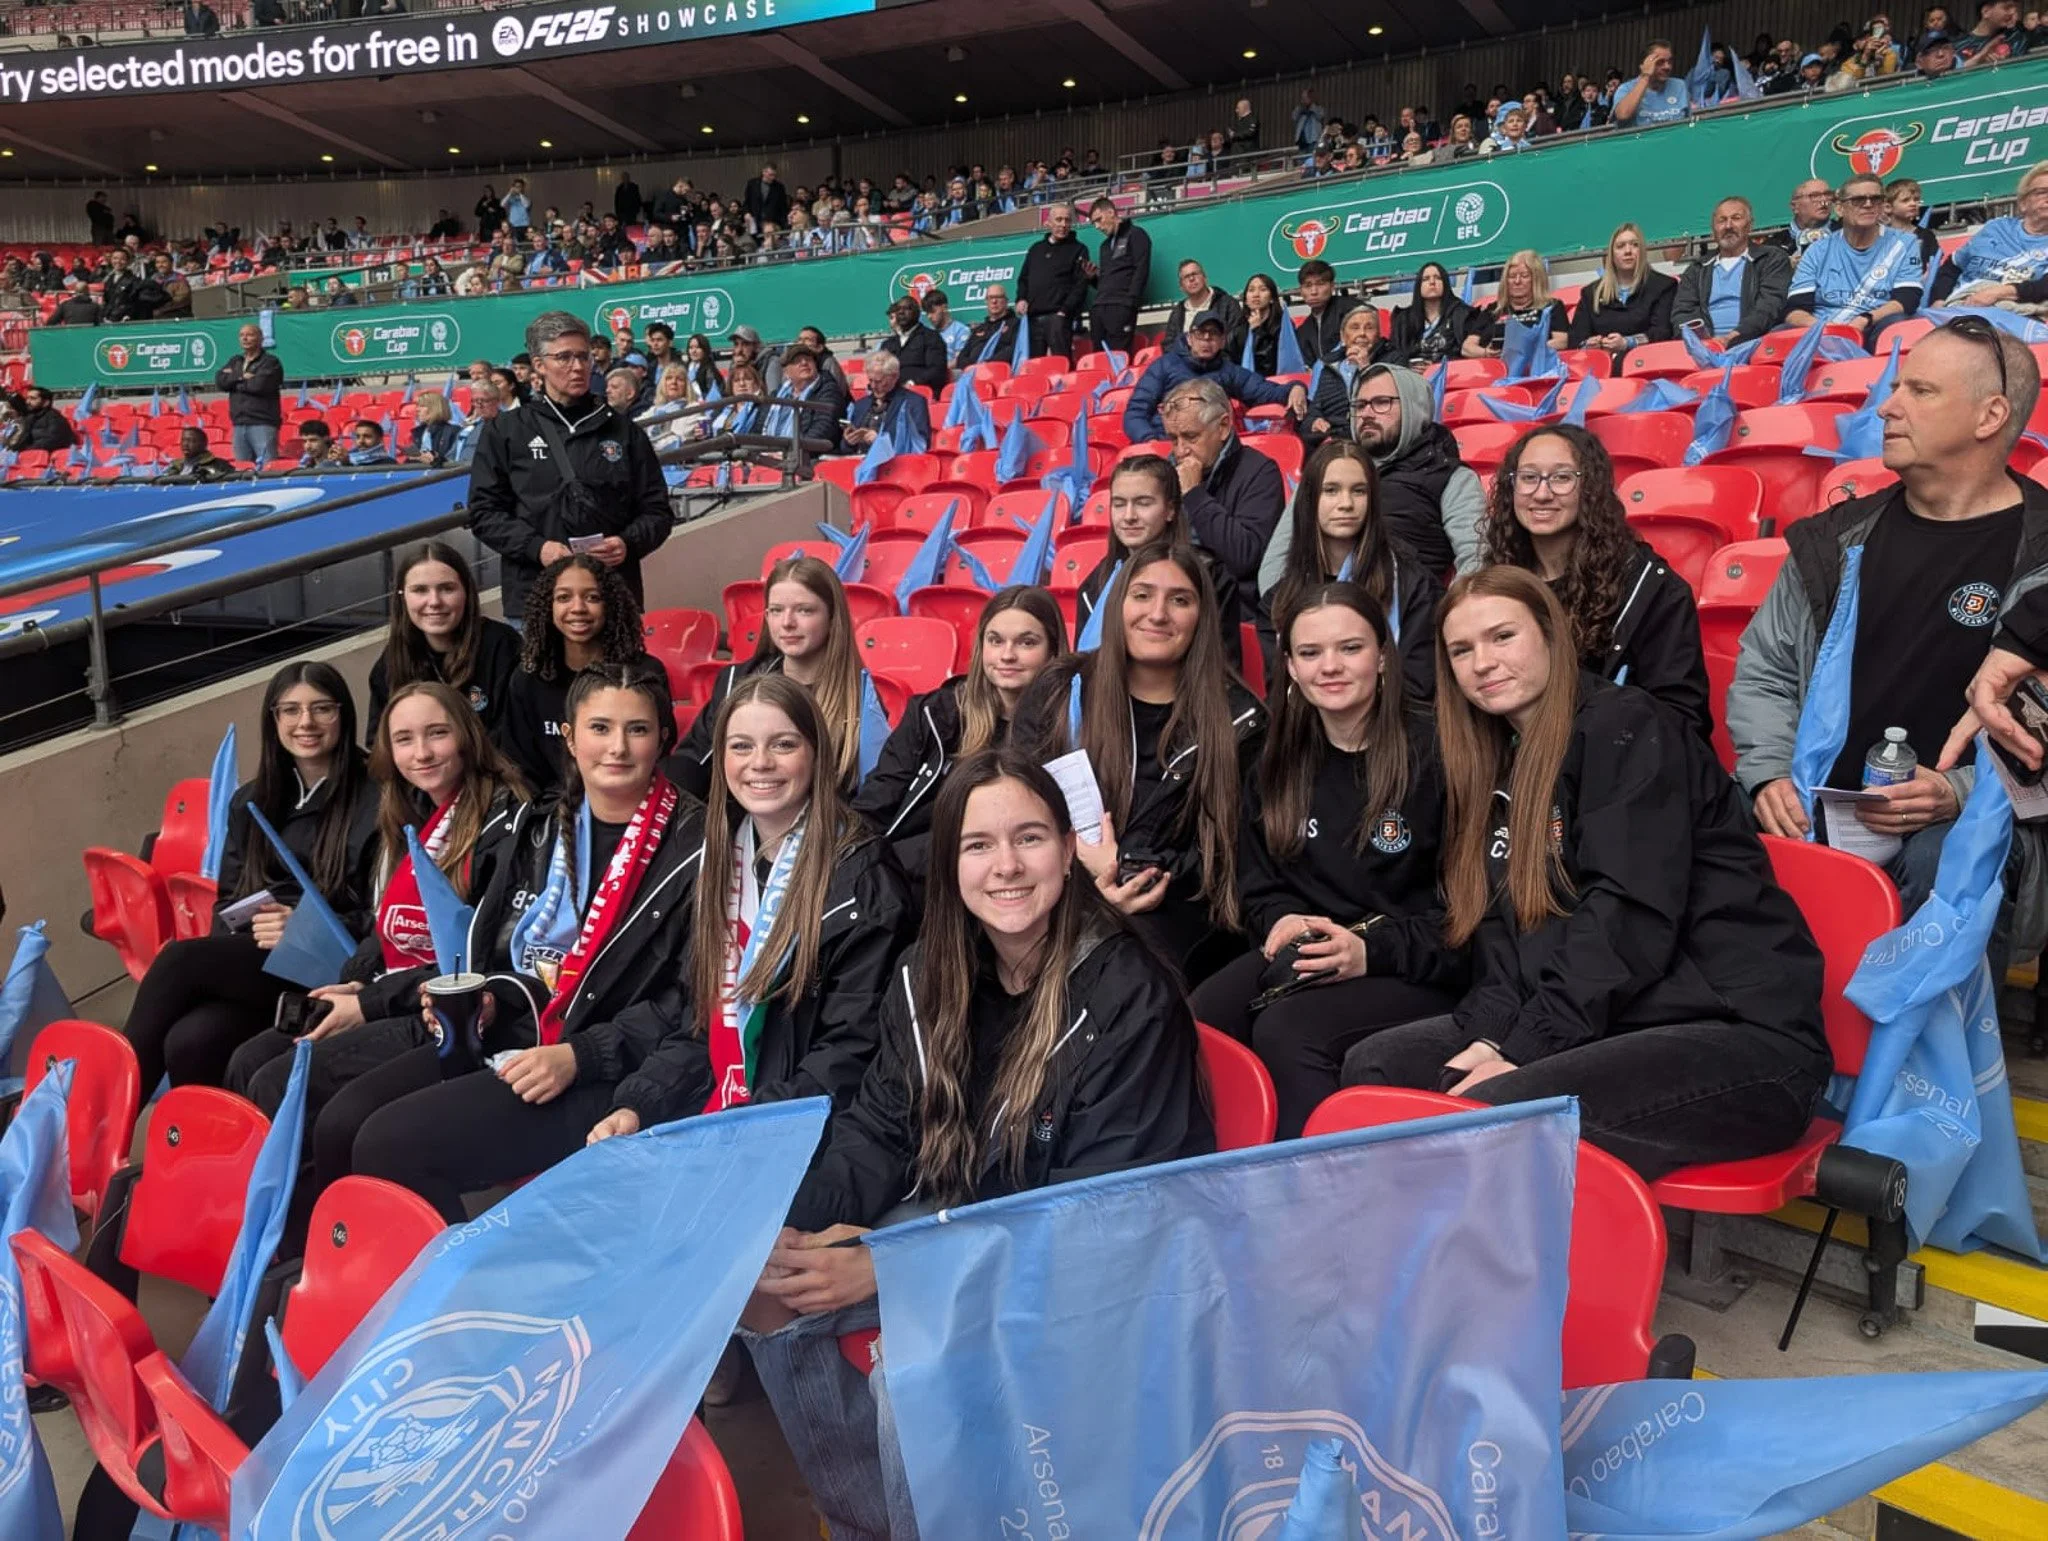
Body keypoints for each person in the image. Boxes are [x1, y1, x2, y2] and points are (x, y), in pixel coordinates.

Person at [711, 750, 1212, 1541]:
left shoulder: (1129, 996)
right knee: (767, 1288)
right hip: (963, 1218)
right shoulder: (928, 972)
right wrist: (791, 1224)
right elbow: (879, 1129)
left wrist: (895, 1262)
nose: (1006, 865)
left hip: (1094, 1259)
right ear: (949, 862)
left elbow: (1095, 1216)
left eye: (1030, 837)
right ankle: (870, 1519)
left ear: (1067, 848)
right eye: (978, 844)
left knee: (912, 1368)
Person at [1342, 569, 1830, 1181]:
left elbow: (1626, 915)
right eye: (1461, 650)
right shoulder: (1493, 756)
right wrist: (1493, 1034)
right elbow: (1502, 932)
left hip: (1737, 1034)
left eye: (1502, 637)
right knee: (1379, 1067)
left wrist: (1524, 1047)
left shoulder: (1628, 726)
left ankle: (1485, 1275)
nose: (1482, 663)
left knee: (1494, 1117)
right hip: (1615, 1018)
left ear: (1551, 634)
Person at [337, 663, 701, 1221]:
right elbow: (493, 946)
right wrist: (479, 996)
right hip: (512, 1029)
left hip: (606, 1064)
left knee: (387, 1143)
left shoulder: (699, 847)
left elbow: (692, 1004)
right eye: (600, 728)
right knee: (347, 1118)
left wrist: (582, 1054)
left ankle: (469, 1297)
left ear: (663, 740)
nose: (618, 748)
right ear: (571, 738)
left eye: (638, 729)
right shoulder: (541, 825)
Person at [1732, 320, 2048, 912]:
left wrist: (1958, 793)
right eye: (1895, 386)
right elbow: (1766, 671)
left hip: (1974, 822)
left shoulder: (2043, 552)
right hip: (1812, 802)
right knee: (1695, 813)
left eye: (1919, 392)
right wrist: (1770, 773)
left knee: (1943, 858)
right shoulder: (1832, 542)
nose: (1886, 407)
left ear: (1990, 416)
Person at [221, 682, 528, 1182]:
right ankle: (275, 1211)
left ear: (468, 736)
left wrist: (371, 1001)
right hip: (389, 988)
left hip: (442, 1011)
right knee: (247, 1059)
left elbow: (480, 957)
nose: (421, 752)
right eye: (405, 739)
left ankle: (317, 1226)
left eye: (437, 734)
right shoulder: (411, 810)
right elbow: (385, 921)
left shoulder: (506, 823)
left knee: (279, 1082)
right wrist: (358, 981)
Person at [586, 672, 914, 1132]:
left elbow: (848, 1055)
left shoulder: (863, 880)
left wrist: (733, 1129)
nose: (760, 763)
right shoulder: (720, 860)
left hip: (802, 1130)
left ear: (816, 753)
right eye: (741, 746)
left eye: (783, 745)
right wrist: (639, 1106)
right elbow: (699, 1022)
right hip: (725, 1111)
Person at [1191, 585, 1463, 1134]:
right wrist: (1281, 920)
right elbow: (1259, 881)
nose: (1330, 667)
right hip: (1311, 946)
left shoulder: (1441, 754)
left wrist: (1369, 950)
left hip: (1412, 961)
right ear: (1289, 666)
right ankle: (1227, 1179)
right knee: (1201, 1017)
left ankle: (1324, 1200)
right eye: (1311, 654)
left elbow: (1466, 917)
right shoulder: (1273, 756)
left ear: (1383, 656)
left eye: (1350, 648)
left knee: (1289, 1030)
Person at [121, 661, 378, 1095]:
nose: (306, 723)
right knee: (191, 1041)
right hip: (259, 961)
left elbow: (382, 913)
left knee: (180, 960)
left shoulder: (378, 796)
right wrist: (247, 920)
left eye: (322, 709)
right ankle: (202, 1155)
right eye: (290, 710)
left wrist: (301, 926)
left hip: (334, 962)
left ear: (344, 714)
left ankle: (107, 1112)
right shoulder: (252, 801)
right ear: (273, 719)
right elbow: (227, 898)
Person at [1016, 542, 1266, 971]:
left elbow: (1234, 855)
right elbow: (1015, 799)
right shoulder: (1060, 688)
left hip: (1176, 907)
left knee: (1108, 962)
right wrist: (1081, 867)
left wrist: (1124, 869)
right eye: (1143, 594)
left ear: (1202, 617)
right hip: (1058, 883)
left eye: (1180, 600)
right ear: (1119, 605)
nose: (1158, 614)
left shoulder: (1239, 721)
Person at [1483, 425, 1710, 738]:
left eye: (1562, 478)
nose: (1542, 493)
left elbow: (1680, 717)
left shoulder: (1652, 589)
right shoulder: (1495, 581)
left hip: (1612, 763)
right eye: (1529, 477)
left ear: (1589, 488)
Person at [856, 586, 1068, 884]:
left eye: (1026, 642)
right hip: (913, 875)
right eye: (995, 641)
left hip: (1014, 878)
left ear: (1052, 651)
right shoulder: (934, 714)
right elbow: (875, 802)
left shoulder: (1069, 725)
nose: (1007, 655)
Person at [468, 310, 673, 619]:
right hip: (534, 599)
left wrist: (627, 543)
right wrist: (537, 548)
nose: (577, 367)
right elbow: (484, 512)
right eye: (564, 357)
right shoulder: (507, 431)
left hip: (612, 598)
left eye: (583, 356)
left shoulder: (625, 432)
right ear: (539, 365)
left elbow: (657, 511)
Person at [668, 556, 869, 797]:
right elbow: (693, 761)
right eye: (776, 610)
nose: (787, 623)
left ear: (832, 617)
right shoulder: (737, 680)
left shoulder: (863, 697)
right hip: (734, 820)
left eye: (804, 610)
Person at [1266, 364, 1486, 579]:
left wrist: (1448, 614)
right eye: (1360, 405)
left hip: (1406, 608)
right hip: (1319, 604)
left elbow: (1477, 560)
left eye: (1381, 403)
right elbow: (1276, 562)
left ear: (1414, 407)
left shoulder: (1451, 476)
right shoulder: (1328, 467)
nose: (1366, 414)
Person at [1260, 441, 1442, 696]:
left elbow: (1418, 689)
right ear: (1309, 500)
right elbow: (1281, 695)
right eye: (1331, 490)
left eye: (1358, 491)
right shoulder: (1277, 601)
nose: (1346, 503)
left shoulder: (1413, 586)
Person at [501, 554, 651, 795]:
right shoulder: (527, 679)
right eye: (563, 597)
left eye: (592, 597)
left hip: (630, 803)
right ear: (548, 606)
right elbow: (521, 768)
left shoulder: (643, 674)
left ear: (610, 604)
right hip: (550, 810)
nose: (578, 608)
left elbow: (654, 756)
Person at [364, 543, 521, 749]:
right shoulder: (391, 662)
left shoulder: (502, 646)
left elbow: (515, 737)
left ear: (466, 592)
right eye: (420, 590)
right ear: (403, 598)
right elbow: (379, 743)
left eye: (447, 588)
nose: (434, 601)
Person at [1076, 453, 1243, 643]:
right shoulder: (1094, 585)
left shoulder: (1210, 577)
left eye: (1143, 503)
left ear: (1170, 510)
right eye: (1119, 504)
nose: (1128, 516)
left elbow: (1222, 664)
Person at [1784, 174, 1927, 340]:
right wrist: (1823, 327)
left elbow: (1908, 299)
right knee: (1778, 333)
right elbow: (1794, 308)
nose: (1868, 204)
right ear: (1839, 208)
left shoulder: (1905, 243)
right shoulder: (1817, 250)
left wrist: (1865, 319)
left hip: (1875, 324)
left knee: (1899, 325)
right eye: (1858, 200)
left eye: (1875, 199)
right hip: (1823, 328)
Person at [1672, 196, 1796, 346]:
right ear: (1713, 229)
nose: (1728, 226)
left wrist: (1734, 337)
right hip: (1705, 348)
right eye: (1722, 220)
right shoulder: (1697, 269)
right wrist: (1705, 343)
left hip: (1755, 343)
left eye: (1736, 218)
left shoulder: (1771, 259)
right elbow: (1682, 313)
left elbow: (1769, 306)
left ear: (1750, 225)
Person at [1929, 160, 2048, 309]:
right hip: (1958, 306)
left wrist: (1999, 293)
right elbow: (1953, 266)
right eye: (2042, 192)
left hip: (2011, 315)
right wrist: (1939, 299)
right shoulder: (1996, 227)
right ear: (2023, 203)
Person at [1568, 222, 1679, 355]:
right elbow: (1575, 340)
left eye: (1634, 245)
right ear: (1611, 255)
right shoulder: (1591, 293)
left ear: (1642, 251)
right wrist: (1588, 344)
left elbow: (1663, 332)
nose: (1628, 251)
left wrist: (1628, 342)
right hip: (1602, 366)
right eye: (1620, 246)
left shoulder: (1664, 286)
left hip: (1648, 362)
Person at [1015, 201, 1090, 359]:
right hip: (1033, 319)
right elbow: (1023, 278)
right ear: (1048, 222)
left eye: (1067, 220)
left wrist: (1064, 311)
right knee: (1034, 367)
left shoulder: (1079, 249)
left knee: (1062, 364)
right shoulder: (1036, 249)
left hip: (1059, 319)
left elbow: (1081, 284)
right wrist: (1021, 299)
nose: (1063, 224)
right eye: (1059, 220)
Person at [1462, 250, 1570, 357]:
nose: (1517, 281)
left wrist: (1527, 349)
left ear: (1537, 279)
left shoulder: (1552, 306)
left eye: (1524, 276)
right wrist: (1485, 353)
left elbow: (1562, 341)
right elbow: (1466, 348)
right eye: (1512, 276)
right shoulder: (1493, 309)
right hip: (1494, 367)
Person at [1088, 196, 1151, 355]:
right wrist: (1092, 278)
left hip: (1121, 306)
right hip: (1099, 308)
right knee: (1099, 358)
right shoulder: (1104, 246)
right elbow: (1107, 280)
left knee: (1119, 357)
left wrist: (1129, 303)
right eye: (1094, 223)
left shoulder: (1136, 234)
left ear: (1111, 212)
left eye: (1099, 219)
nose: (1097, 226)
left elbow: (1141, 269)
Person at [216, 322, 283, 466]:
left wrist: (233, 379)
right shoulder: (236, 361)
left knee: (268, 468)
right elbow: (220, 381)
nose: (245, 338)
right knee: (242, 470)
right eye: (242, 335)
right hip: (239, 424)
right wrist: (241, 376)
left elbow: (259, 386)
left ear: (260, 338)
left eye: (250, 335)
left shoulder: (270, 362)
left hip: (262, 423)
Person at [765, 344, 847, 455]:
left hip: (806, 460)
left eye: (808, 359)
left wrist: (790, 454)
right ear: (786, 372)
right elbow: (759, 427)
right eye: (797, 361)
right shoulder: (777, 395)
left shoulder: (828, 391)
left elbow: (823, 429)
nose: (804, 363)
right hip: (771, 455)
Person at [1388, 261, 1474, 366]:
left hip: (1448, 375)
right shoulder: (1403, 319)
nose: (1432, 282)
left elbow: (1464, 354)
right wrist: (1408, 366)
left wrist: (1434, 366)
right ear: (1419, 285)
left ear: (1446, 283)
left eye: (1438, 278)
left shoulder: (1462, 314)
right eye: (1426, 279)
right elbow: (1394, 354)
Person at [844, 350, 932, 451]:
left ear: (895, 377)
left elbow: (920, 443)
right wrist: (849, 441)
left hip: (896, 462)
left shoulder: (914, 402)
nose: (873, 386)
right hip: (858, 461)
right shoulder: (861, 405)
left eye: (878, 381)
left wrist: (880, 440)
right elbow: (845, 448)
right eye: (870, 380)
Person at [1161, 259, 1245, 353]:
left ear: (1205, 278)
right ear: (1181, 287)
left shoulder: (1228, 304)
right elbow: (1168, 346)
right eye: (1186, 277)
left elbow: (1237, 340)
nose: (1192, 279)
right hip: (1185, 364)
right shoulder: (1178, 312)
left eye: (1195, 274)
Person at [1293, 259, 1365, 365]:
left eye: (1320, 284)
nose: (1314, 291)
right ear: (1301, 291)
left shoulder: (1352, 310)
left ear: (1332, 286)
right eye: (1308, 286)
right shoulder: (1304, 330)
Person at [876, 296, 947, 396]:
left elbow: (936, 370)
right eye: (898, 309)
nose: (901, 312)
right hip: (891, 395)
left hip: (920, 394)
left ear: (917, 313)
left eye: (907, 308)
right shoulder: (888, 344)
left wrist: (912, 384)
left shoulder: (931, 338)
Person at [1611, 38, 1691, 125]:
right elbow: (1623, 115)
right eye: (1660, 62)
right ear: (1644, 64)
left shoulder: (1679, 86)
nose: (1667, 67)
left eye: (1670, 61)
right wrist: (1645, 76)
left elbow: (1689, 122)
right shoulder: (1626, 89)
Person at [1766, 178, 1837, 263]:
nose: (1824, 201)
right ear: (1794, 207)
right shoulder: (1773, 246)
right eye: (1814, 196)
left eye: (1827, 194)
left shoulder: (1847, 233)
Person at [953, 285, 1024, 369]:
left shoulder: (1016, 324)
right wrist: (972, 367)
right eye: (990, 297)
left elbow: (1013, 351)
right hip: (972, 374)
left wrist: (984, 365)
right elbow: (962, 357)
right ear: (986, 301)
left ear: (1006, 301)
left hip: (998, 373)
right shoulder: (978, 329)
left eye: (998, 297)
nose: (994, 301)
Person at [1, 386, 76, 453]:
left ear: (46, 402)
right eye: (27, 398)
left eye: (32, 398)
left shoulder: (54, 418)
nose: (27, 402)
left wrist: (25, 450)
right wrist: (9, 444)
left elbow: (53, 441)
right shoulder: (30, 417)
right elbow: (21, 440)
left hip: (43, 459)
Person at [1958, 0, 2031, 63]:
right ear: (1986, 11)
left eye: (2015, 8)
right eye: (2007, 7)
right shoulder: (1959, 45)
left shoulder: (2015, 38)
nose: (2012, 12)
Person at [162, 425, 234, 481]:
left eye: (191, 440)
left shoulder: (219, 465)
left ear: (204, 444)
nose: (185, 444)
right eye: (183, 440)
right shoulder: (174, 466)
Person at [409, 391, 461, 466]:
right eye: (417, 406)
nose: (417, 409)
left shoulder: (453, 431)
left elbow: (452, 459)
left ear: (435, 408)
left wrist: (435, 458)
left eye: (422, 406)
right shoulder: (418, 432)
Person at [921, 288, 970, 360]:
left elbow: (959, 361)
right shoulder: (927, 333)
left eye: (932, 311)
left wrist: (938, 367)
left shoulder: (961, 330)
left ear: (944, 307)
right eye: (927, 312)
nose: (929, 316)